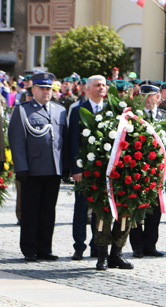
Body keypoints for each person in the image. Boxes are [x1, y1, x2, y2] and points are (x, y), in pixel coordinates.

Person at [8, 72, 69, 262]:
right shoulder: (23, 110)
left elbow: (62, 142)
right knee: (31, 210)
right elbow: (17, 141)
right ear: (33, 89)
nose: (45, 92)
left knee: (48, 211)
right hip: (32, 169)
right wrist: (21, 168)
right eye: (41, 89)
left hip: (53, 168)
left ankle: (45, 247)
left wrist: (65, 165)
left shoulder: (59, 110)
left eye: (48, 89)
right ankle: (29, 248)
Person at [129, 83, 166, 258]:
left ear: (159, 98)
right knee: (137, 208)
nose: (148, 99)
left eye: (151, 96)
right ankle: (137, 246)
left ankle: (150, 245)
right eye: (144, 96)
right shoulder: (133, 117)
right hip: (137, 170)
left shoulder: (165, 116)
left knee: (155, 210)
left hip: (158, 172)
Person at [68, 76, 104, 261]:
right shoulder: (78, 110)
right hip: (84, 169)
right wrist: (76, 168)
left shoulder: (111, 110)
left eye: (104, 85)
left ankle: (96, 245)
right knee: (81, 209)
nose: (102, 88)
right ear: (88, 89)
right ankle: (79, 246)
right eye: (98, 85)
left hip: (103, 170)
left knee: (100, 210)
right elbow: (73, 142)